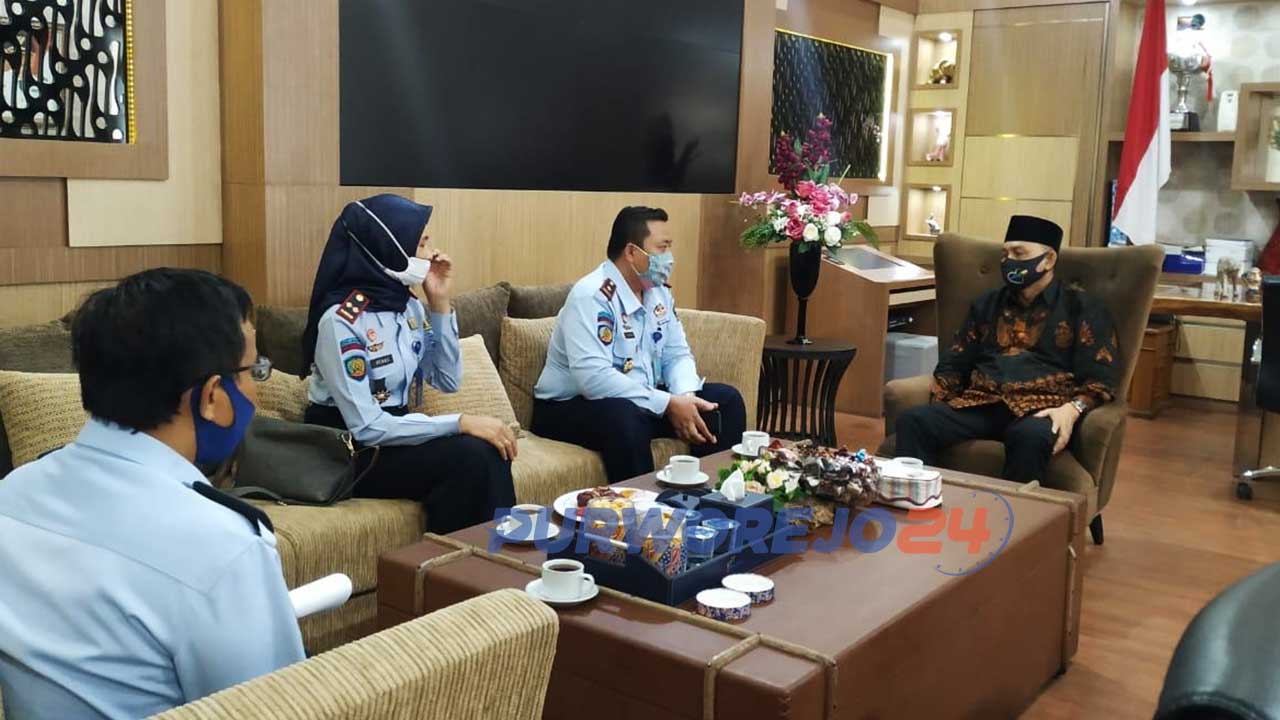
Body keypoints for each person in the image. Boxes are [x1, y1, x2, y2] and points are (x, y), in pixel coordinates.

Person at [0, 269, 305, 719]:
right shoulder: (222, 546)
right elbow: (272, 708)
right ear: (211, 396)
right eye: (252, 371)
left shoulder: (12, 495)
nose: (255, 392)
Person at [302, 194, 516, 533]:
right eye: (421, 243)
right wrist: (459, 422)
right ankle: (471, 558)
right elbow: (366, 427)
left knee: (488, 451)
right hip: (349, 451)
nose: (431, 253)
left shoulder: (407, 307)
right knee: (472, 458)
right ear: (389, 248)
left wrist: (440, 303)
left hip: (393, 436)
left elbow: (447, 380)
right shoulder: (341, 321)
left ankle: (497, 555)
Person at [895, 215, 1120, 483]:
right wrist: (941, 403)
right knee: (915, 420)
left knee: (1030, 437)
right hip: (980, 403)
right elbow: (954, 363)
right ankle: (918, 501)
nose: (1009, 261)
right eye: (1005, 254)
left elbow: (1101, 378)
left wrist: (1072, 410)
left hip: (1041, 408)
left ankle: (1012, 511)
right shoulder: (986, 304)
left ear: (1048, 260)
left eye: (1019, 253)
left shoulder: (1081, 308)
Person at [532, 206, 747, 484]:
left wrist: (684, 397)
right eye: (662, 248)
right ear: (632, 252)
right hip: (568, 407)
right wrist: (667, 403)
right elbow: (594, 379)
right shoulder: (592, 296)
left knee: (725, 401)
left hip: (639, 399)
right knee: (625, 418)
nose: (669, 258)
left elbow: (676, 354)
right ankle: (643, 508)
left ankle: (712, 500)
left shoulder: (657, 291)